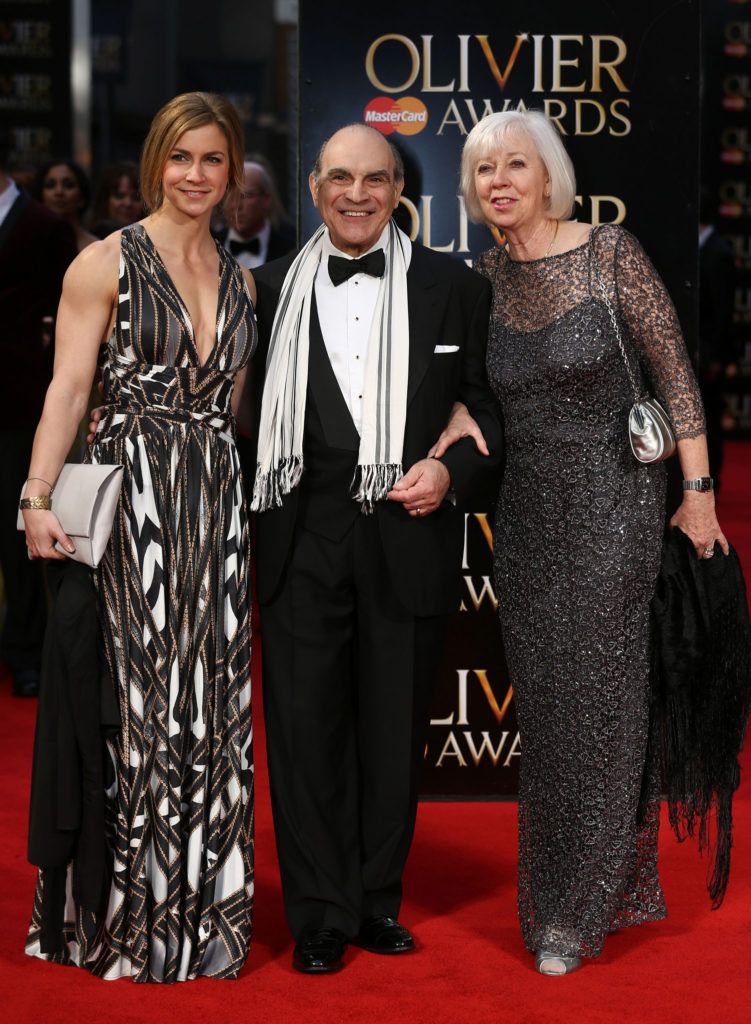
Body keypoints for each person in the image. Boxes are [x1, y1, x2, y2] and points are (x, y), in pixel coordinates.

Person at [440, 109, 727, 975]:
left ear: (547, 175)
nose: (498, 183)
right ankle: (567, 884)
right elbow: (472, 392)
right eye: (483, 171)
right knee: (550, 710)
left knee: (604, 704)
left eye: (514, 166)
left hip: (617, 506)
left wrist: (699, 493)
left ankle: (580, 907)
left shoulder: (609, 254)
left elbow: (673, 372)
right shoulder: (482, 277)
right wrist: (455, 414)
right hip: (526, 517)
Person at [250, 122, 502, 974]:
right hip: (297, 533)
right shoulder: (268, 288)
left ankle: (373, 903)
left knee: (392, 732)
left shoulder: (453, 287)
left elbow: (488, 411)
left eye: (375, 179)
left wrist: (451, 475)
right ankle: (319, 912)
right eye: (339, 178)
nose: (355, 195)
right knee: (304, 728)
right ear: (313, 186)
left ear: (400, 191)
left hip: (409, 533)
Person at [21, 91, 256, 982]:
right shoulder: (104, 263)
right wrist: (37, 494)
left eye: (212, 160)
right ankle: (124, 921)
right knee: (133, 713)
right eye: (179, 158)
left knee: (206, 714)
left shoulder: (243, 282)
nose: (195, 176)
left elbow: (235, 413)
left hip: (212, 512)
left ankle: (200, 919)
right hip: (128, 511)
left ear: (232, 170)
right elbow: (68, 391)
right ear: (154, 162)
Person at [0, 130, 77, 698]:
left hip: (18, 402)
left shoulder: (45, 227)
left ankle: (26, 652)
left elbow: (65, 323)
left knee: (18, 538)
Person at [217, 159, 295, 268]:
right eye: (230, 196)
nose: (237, 206)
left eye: (245, 196)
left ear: (266, 199)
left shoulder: (292, 248)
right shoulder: (208, 245)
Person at [34, 160, 97, 253]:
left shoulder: (97, 248)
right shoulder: (30, 247)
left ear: (82, 197)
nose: (59, 192)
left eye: (68, 185)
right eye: (50, 185)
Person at [90, 161, 143, 238]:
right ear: (106, 200)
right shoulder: (90, 241)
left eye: (136, 197)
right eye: (119, 196)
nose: (128, 203)